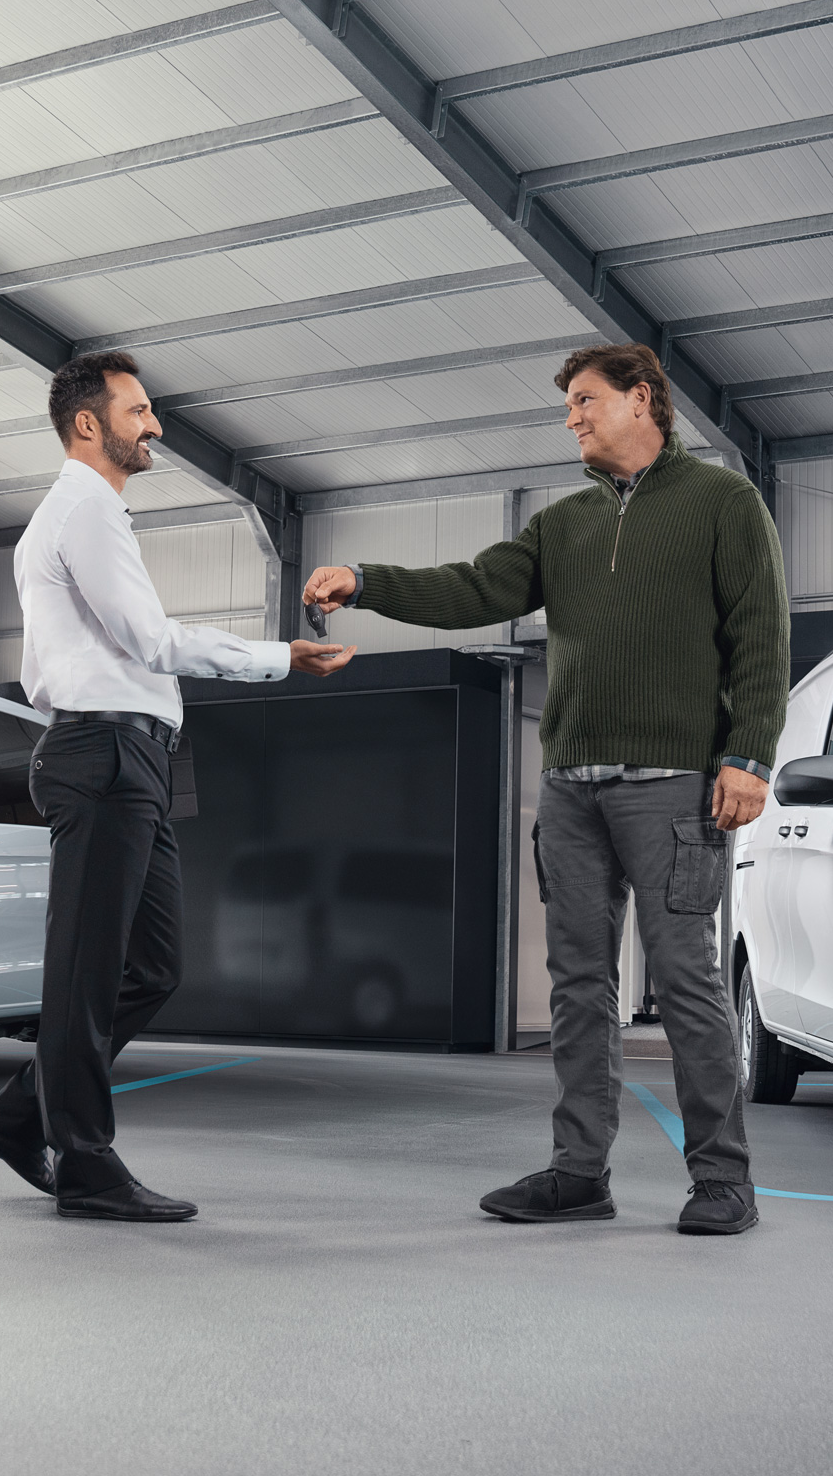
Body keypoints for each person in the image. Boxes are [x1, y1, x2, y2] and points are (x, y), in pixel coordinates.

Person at [301, 343, 788, 1236]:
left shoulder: (725, 503)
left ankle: (724, 1181)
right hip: (570, 788)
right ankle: (578, 1173)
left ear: (643, 400)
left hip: (673, 787)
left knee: (685, 982)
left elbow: (760, 635)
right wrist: (368, 581)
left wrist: (748, 757)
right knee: (577, 985)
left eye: (585, 401)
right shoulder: (560, 527)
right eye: (568, 405)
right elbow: (475, 586)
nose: (571, 417)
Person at [0, 350, 351, 1221]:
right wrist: (276, 656)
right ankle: (87, 1162)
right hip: (101, 754)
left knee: (151, 965)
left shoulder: (88, 516)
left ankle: (19, 1115)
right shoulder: (85, 510)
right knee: (87, 972)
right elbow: (148, 639)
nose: (156, 427)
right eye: (138, 412)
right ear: (88, 425)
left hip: (134, 756)